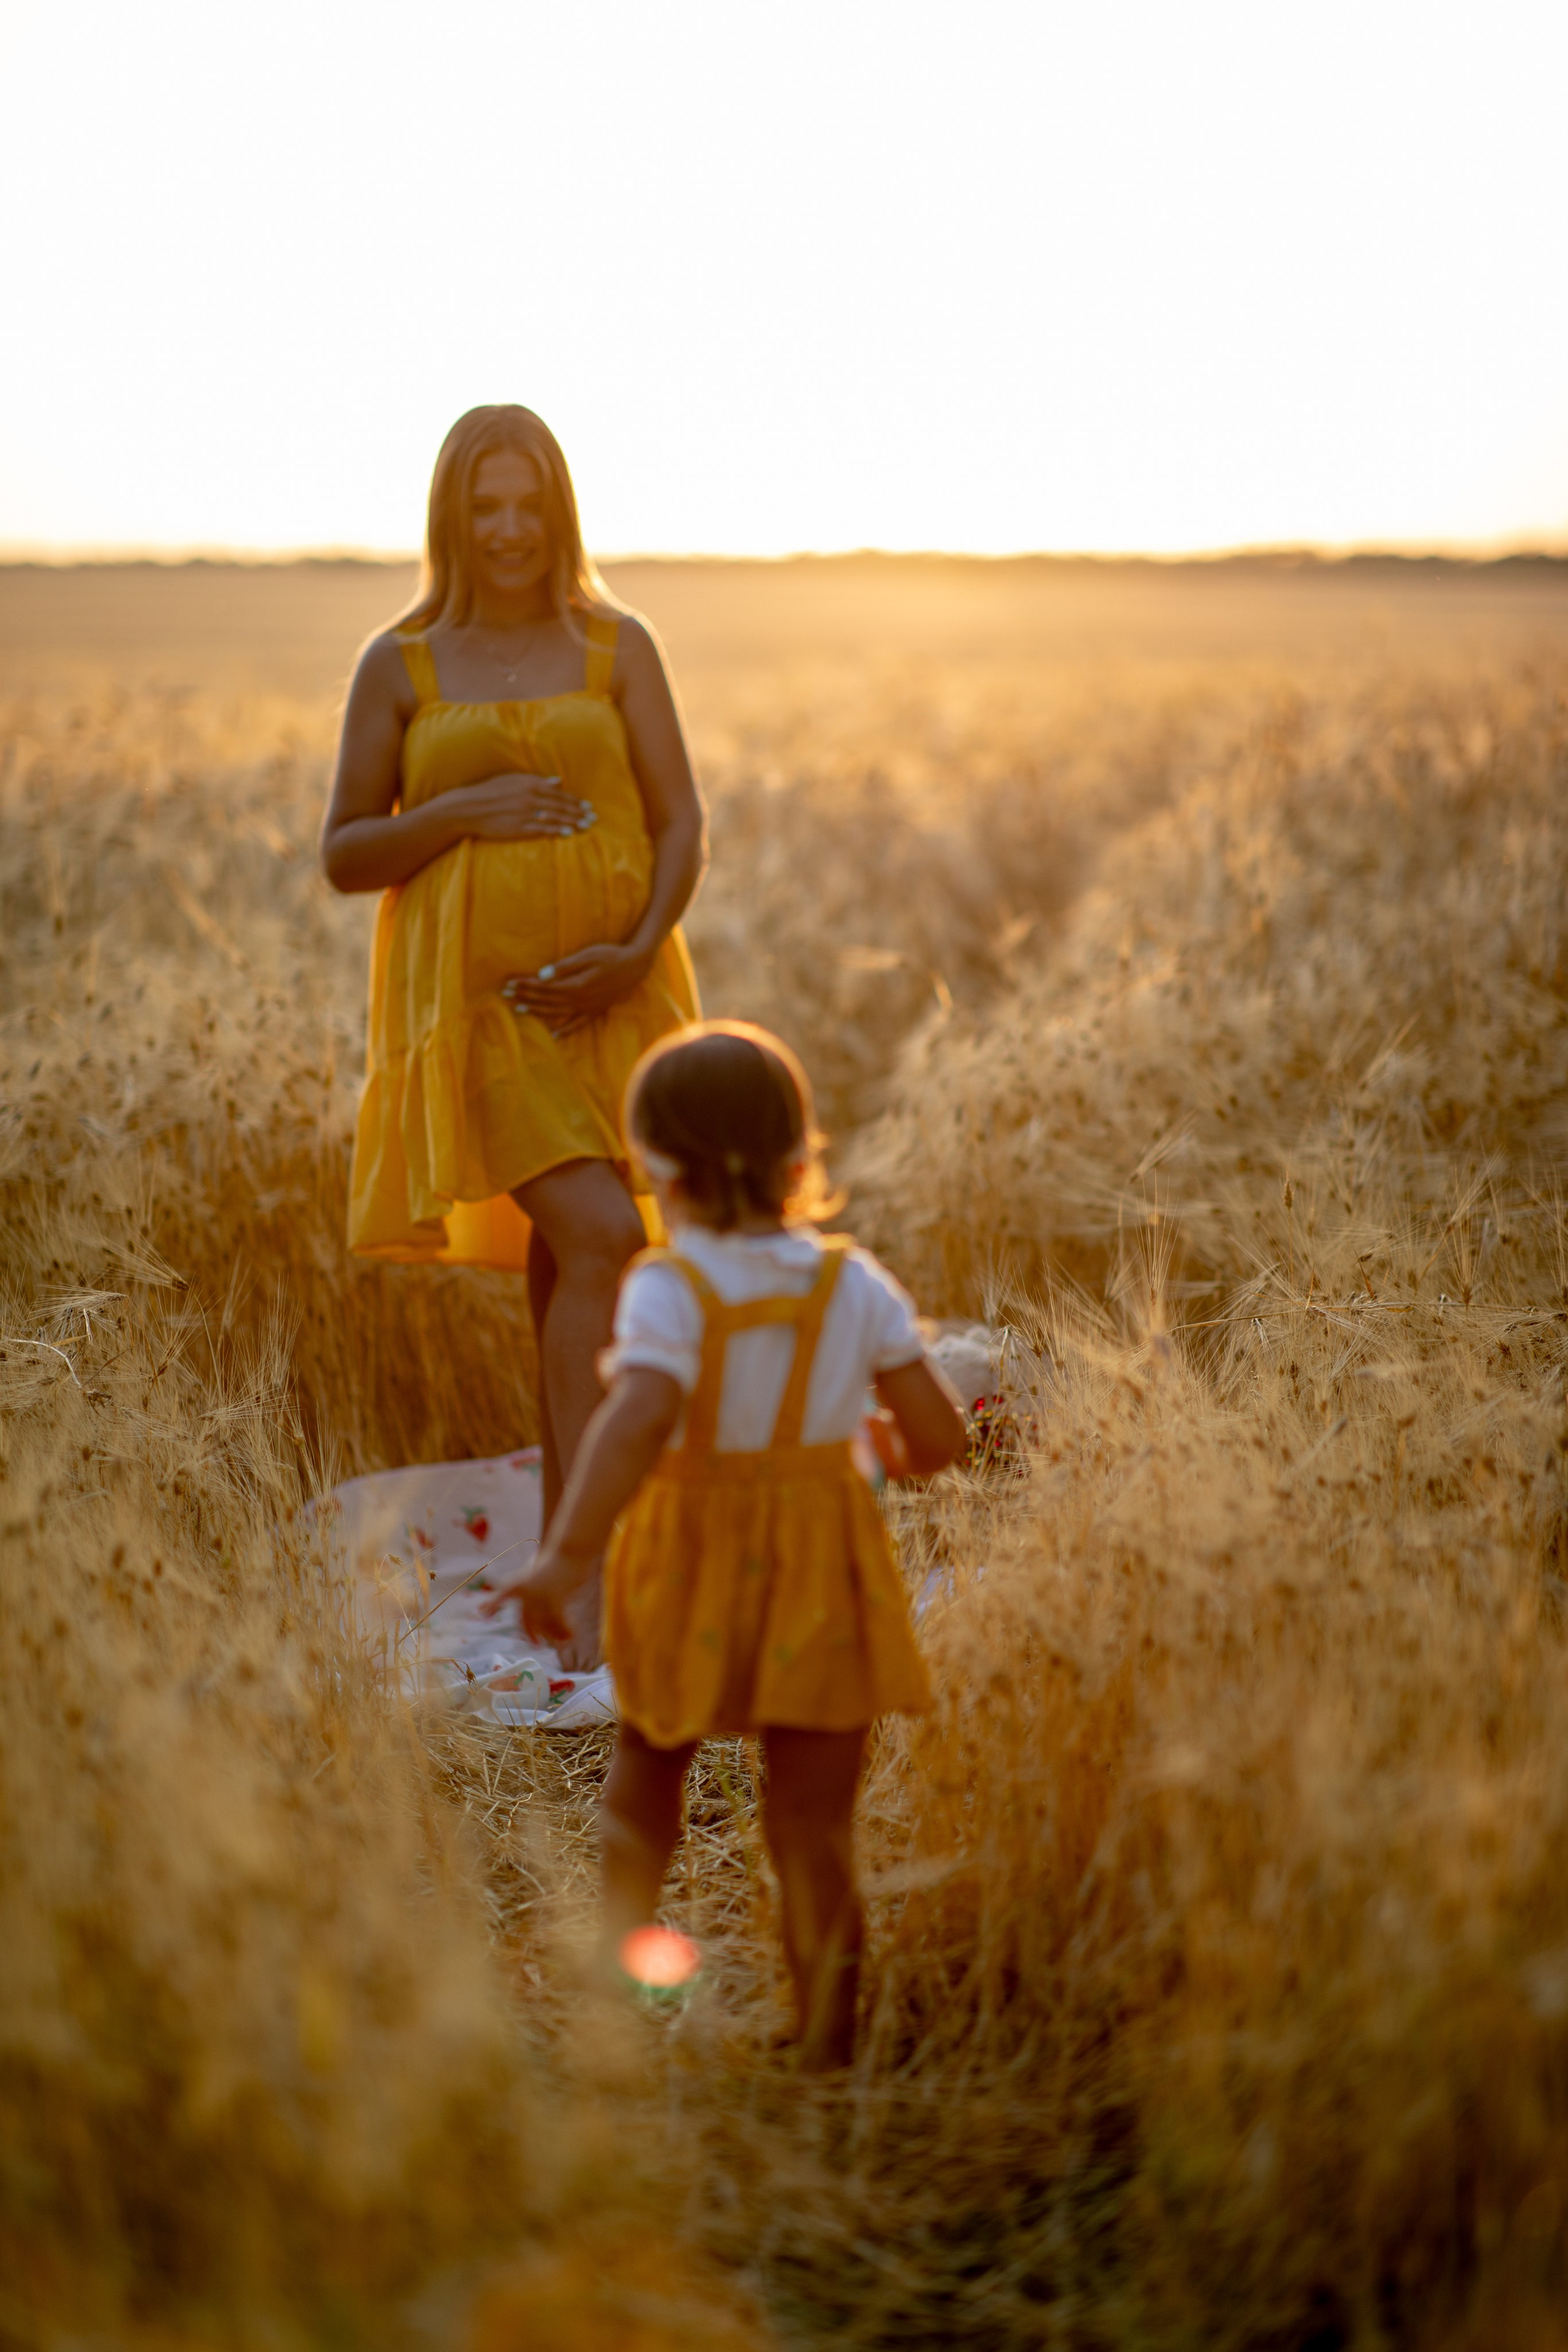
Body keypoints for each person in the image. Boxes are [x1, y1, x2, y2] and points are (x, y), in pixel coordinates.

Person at [481, 1022, 967, 2068]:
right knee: (813, 1829)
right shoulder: (854, 1284)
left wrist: (567, 1557)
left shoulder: (668, 1289)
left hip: (692, 1564)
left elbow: (633, 1424)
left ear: (658, 1169)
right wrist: (862, 1446)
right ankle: (827, 2041)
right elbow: (939, 1439)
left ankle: (624, 1994)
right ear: (799, 1159)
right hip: (824, 1574)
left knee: (648, 1777)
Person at [320, 406, 705, 1667]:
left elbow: (680, 821)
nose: (507, 528)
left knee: (570, 1264)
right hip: (481, 1012)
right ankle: (588, 1579)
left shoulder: (616, 644)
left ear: (559, 509)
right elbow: (346, 852)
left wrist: (636, 952)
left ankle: (565, 1547)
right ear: (451, 516)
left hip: (618, 992)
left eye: (527, 503)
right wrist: (465, 809)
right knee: (601, 1235)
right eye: (484, 506)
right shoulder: (401, 663)